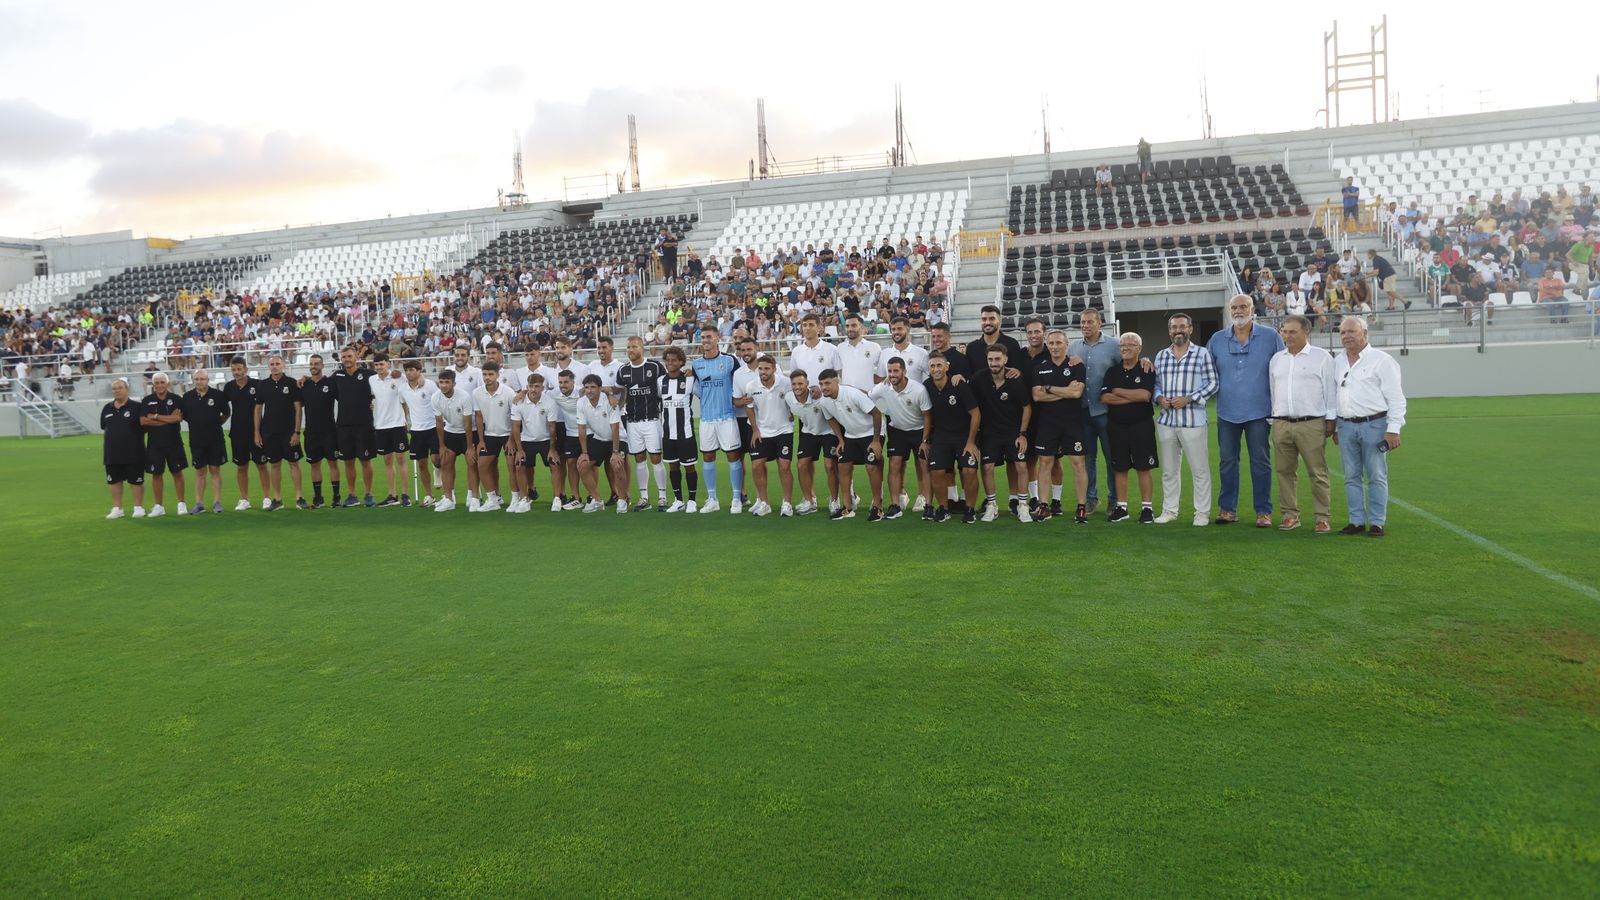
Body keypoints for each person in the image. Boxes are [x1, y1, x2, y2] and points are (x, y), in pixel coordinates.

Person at [1206, 294, 1284, 527]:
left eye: (1243, 306)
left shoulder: (1270, 337)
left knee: (1260, 462)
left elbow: (1281, 369)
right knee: (1227, 462)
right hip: (1226, 412)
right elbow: (1204, 370)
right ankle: (1228, 510)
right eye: (1234, 307)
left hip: (1259, 412)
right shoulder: (1217, 339)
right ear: (1230, 311)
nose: (1239, 311)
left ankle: (1263, 512)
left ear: (1252, 309)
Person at [1333, 316, 1407, 537]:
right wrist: (1337, 427)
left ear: (1365, 334)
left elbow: (1396, 398)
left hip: (1374, 424)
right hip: (1346, 426)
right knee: (1351, 475)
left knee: (1376, 474)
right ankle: (1356, 521)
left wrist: (1393, 429)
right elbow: (1335, 395)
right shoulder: (1337, 361)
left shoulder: (1382, 361)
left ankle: (1377, 522)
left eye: (1352, 332)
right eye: (1343, 332)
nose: (1346, 336)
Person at [1268, 314, 1336, 534]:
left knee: (1317, 472)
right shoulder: (1277, 359)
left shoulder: (1322, 357)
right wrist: (1274, 418)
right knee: (1284, 472)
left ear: (1306, 332)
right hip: (1281, 424)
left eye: (1292, 332)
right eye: (1284, 332)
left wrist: (1330, 419)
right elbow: (1272, 391)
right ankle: (1290, 515)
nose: (1287, 336)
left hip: (1311, 423)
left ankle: (1322, 518)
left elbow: (1331, 392)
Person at [1152, 313, 1218, 526]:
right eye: (1173, 327)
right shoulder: (1161, 355)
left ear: (1190, 329)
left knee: (1199, 470)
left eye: (1182, 327)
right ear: (1169, 330)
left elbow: (1212, 383)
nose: (1177, 331)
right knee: (1169, 471)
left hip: (1193, 421)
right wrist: (1159, 397)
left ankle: (1201, 513)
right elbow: (1155, 384)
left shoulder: (1202, 353)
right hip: (1167, 421)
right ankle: (1169, 511)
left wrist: (1189, 399)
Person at [1067, 307, 1128, 515]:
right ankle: (1091, 498)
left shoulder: (1114, 345)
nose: (1085, 326)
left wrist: (1145, 360)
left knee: (1112, 457)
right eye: (1082, 322)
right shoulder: (1073, 347)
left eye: (1089, 322)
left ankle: (1114, 499)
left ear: (1099, 323)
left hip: (1106, 412)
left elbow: (1128, 366)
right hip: (1082, 412)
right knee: (1087, 458)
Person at [1028, 329, 1088, 524]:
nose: (1054, 347)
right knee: (1045, 463)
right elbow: (1037, 396)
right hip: (1048, 423)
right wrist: (1064, 391)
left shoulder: (1077, 365)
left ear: (1066, 344)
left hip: (1072, 422)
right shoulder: (1040, 367)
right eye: (1051, 343)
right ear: (1047, 345)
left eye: (1058, 343)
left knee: (1078, 464)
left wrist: (1049, 388)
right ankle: (1044, 506)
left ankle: (1081, 507)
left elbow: (1076, 394)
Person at [1098, 333, 1157, 524]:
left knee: (1143, 467)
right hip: (1117, 427)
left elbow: (1144, 396)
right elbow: (1105, 398)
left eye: (1130, 345)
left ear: (1139, 348)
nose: (1125, 348)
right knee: (1120, 468)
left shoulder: (1146, 368)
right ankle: (1121, 508)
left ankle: (1147, 509)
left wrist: (1118, 391)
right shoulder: (1112, 372)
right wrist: (1130, 396)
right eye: (1122, 345)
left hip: (1142, 426)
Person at [971, 344, 1032, 522]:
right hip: (990, 433)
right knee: (987, 467)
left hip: (1013, 432)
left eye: (998, 359)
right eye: (990, 359)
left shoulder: (1015, 380)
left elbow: (1027, 407)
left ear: (1005, 359)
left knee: (1021, 465)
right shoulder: (979, 378)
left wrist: (1022, 434)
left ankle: (1022, 505)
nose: (994, 363)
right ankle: (992, 505)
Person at [921, 353, 982, 525]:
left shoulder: (959, 384)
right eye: (932, 366)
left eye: (939, 365)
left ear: (947, 367)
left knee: (969, 470)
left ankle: (969, 509)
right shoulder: (926, 386)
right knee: (937, 472)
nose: (936, 369)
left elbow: (976, 414)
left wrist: (971, 442)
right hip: (940, 436)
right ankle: (943, 508)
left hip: (964, 436)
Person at [869, 356, 932, 521]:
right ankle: (895, 505)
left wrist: (925, 441)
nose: (892, 374)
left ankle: (928, 505)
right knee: (894, 465)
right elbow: (867, 398)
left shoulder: (918, 389)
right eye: (889, 371)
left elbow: (927, 416)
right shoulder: (883, 387)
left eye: (896, 371)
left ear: (904, 371)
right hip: (897, 431)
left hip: (919, 431)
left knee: (924, 465)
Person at [818, 367, 882, 520]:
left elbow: (876, 413)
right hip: (851, 436)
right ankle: (848, 507)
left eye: (827, 383)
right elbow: (830, 419)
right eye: (821, 384)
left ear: (836, 381)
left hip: (870, 433)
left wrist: (876, 440)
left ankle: (877, 506)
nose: (824, 387)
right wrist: (841, 440)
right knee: (842, 466)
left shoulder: (853, 394)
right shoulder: (823, 401)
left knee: (871, 466)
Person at [691, 329, 743, 514]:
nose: (705, 340)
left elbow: (739, 382)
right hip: (706, 418)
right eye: (702, 337)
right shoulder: (696, 364)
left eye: (709, 337)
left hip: (727, 416)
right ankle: (712, 499)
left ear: (717, 339)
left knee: (732, 456)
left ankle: (737, 498)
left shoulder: (729, 361)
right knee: (708, 457)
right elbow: (696, 388)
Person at [618, 335, 669, 510]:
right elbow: (621, 393)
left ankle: (662, 497)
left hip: (652, 420)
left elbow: (665, 388)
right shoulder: (623, 370)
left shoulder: (654, 367)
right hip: (632, 422)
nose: (630, 350)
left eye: (634, 347)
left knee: (655, 458)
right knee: (639, 459)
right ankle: (644, 498)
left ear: (642, 348)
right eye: (628, 347)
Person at [743, 355, 796, 517]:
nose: (763, 372)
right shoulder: (751, 386)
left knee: (785, 466)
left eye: (767, 368)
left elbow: (794, 400)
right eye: (760, 368)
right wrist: (755, 430)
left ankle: (786, 503)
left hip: (784, 430)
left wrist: (792, 414)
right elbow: (749, 407)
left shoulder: (786, 383)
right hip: (763, 432)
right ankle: (764, 503)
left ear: (774, 368)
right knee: (756, 466)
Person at [252, 354, 304, 511]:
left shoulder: (292, 383)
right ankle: (277, 499)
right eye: (272, 364)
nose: (274, 366)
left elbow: (298, 409)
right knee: (274, 465)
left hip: (288, 432)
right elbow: (258, 409)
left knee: (294, 464)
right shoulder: (263, 385)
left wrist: (296, 432)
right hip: (269, 432)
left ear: (283, 366)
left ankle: (299, 497)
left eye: (277, 364)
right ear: (269, 367)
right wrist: (257, 432)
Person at [330, 344, 377, 507]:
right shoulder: (337, 376)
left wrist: (375, 403)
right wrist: (305, 379)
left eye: (349, 356)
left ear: (356, 357)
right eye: (344, 357)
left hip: (364, 425)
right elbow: (322, 384)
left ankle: (368, 494)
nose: (347, 360)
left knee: (365, 460)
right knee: (348, 461)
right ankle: (352, 495)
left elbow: (384, 387)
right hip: (344, 425)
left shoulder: (369, 374)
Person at [785, 369, 837, 516]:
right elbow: (790, 412)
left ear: (807, 383)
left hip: (828, 432)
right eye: (794, 384)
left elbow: (832, 417)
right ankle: (810, 501)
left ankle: (834, 500)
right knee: (801, 464)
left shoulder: (818, 396)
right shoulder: (789, 398)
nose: (797, 387)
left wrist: (840, 439)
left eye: (800, 383)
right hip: (808, 432)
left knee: (830, 465)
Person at [222, 356, 269, 511]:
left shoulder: (258, 385)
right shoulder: (228, 387)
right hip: (237, 433)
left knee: (261, 465)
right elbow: (224, 408)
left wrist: (259, 432)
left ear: (245, 369)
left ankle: (267, 498)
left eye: (239, 369)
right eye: (234, 370)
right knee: (241, 467)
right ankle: (244, 499)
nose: (236, 372)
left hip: (257, 433)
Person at [574, 373, 625, 514]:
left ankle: (622, 500)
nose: (589, 390)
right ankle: (597, 500)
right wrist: (584, 453)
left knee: (617, 464)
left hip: (619, 438)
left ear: (600, 388)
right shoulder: (581, 402)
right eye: (586, 387)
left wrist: (615, 452)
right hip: (599, 438)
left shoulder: (610, 401)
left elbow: (615, 428)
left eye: (593, 387)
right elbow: (581, 428)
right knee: (582, 465)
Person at [509, 371, 560, 513]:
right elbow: (515, 426)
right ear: (527, 386)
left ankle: (556, 498)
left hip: (545, 440)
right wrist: (519, 450)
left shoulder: (549, 402)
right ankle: (524, 499)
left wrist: (552, 449)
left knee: (555, 464)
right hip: (526, 440)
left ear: (542, 388)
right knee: (519, 465)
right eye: (531, 386)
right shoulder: (518, 402)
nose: (533, 389)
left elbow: (552, 428)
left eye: (537, 386)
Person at [139, 372, 188, 517]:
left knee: (177, 473)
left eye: (162, 382)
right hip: (154, 444)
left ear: (167, 384)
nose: (160, 385)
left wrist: (155, 417)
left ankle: (181, 504)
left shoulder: (176, 399)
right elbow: (143, 421)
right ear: (153, 385)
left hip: (174, 443)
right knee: (156, 475)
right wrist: (168, 419)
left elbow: (178, 418)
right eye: (157, 383)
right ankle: (159, 506)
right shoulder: (147, 400)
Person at [657, 345, 699, 512]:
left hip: (686, 433)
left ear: (681, 362)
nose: (670, 363)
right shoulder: (660, 381)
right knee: (673, 466)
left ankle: (692, 501)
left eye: (674, 360)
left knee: (689, 467)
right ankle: (678, 500)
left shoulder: (690, 379)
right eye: (667, 360)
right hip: (667, 433)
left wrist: (693, 372)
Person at [399, 360, 445, 508]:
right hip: (417, 430)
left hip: (433, 427)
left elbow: (440, 401)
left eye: (412, 369)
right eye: (406, 370)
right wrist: (405, 420)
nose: (408, 373)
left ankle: (438, 472)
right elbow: (403, 404)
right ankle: (429, 496)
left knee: (436, 459)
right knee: (422, 463)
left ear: (419, 371)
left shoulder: (430, 385)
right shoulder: (402, 389)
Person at [180, 368, 227, 514]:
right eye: (197, 379)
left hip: (215, 439)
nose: (199, 382)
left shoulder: (218, 395)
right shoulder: (187, 397)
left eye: (202, 379)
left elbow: (226, 413)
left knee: (215, 470)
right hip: (197, 440)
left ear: (208, 380)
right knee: (200, 472)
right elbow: (185, 416)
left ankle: (217, 502)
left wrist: (214, 423)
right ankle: (199, 503)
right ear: (193, 381)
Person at [473, 360, 516, 512]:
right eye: (484, 374)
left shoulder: (509, 392)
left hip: (507, 435)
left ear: (498, 375)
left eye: (491, 374)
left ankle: (516, 499)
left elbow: (515, 418)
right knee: (482, 466)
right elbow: (478, 417)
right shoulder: (477, 393)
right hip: (489, 435)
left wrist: (511, 439)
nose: (487, 377)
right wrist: (481, 441)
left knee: (512, 466)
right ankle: (492, 500)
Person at [431, 368, 476, 513]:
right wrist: (442, 446)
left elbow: (468, 423)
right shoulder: (436, 398)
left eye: (447, 382)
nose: (443, 385)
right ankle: (449, 499)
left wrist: (469, 447)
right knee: (445, 462)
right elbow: (439, 423)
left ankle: (472, 496)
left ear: (454, 383)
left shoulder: (464, 397)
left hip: (468, 432)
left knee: (471, 462)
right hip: (450, 431)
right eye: (441, 382)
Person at [101, 378, 146, 519]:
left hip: (133, 451)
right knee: (114, 481)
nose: (117, 391)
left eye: (120, 388)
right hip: (112, 453)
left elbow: (144, 427)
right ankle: (117, 508)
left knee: (136, 481)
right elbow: (104, 426)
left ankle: (138, 507)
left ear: (127, 389)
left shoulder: (137, 407)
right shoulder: (107, 408)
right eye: (114, 388)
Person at [297, 354, 338, 508]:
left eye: (316, 363)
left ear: (322, 365)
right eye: (311, 363)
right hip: (311, 432)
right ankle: (318, 497)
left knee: (333, 463)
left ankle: (336, 497)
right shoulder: (303, 385)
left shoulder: (331, 383)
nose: (313, 366)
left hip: (329, 431)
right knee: (314, 465)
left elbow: (345, 399)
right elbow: (297, 407)